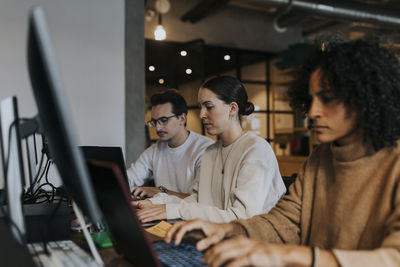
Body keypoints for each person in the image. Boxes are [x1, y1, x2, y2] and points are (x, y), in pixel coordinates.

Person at [165, 38, 400, 267]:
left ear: (365, 98)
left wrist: (292, 256)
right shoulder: (321, 158)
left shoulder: (394, 164)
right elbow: (286, 221)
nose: (314, 111)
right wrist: (229, 230)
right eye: (311, 99)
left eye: (327, 99)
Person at [134, 76, 286, 223]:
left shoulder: (256, 149)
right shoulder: (210, 151)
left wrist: (172, 210)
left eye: (209, 107)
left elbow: (243, 218)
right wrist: (156, 204)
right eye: (201, 107)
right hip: (218, 236)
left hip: (254, 244)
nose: (201, 115)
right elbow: (198, 200)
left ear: (232, 108)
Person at [128, 89, 214, 200]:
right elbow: (130, 177)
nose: (158, 128)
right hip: (160, 213)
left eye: (164, 120)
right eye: (154, 122)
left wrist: (161, 191)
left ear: (182, 119)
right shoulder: (155, 150)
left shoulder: (205, 149)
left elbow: (200, 200)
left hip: (190, 216)